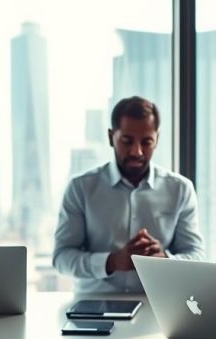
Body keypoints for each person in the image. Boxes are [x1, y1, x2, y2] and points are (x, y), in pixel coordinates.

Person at [53, 96, 204, 293]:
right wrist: (111, 262)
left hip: (158, 306)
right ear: (110, 137)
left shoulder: (181, 189)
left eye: (147, 142)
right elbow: (61, 258)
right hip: (93, 306)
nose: (137, 152)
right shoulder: (80, 188)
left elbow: (196, 256)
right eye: (127, 141)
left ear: (157, 139)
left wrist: (165, 260)